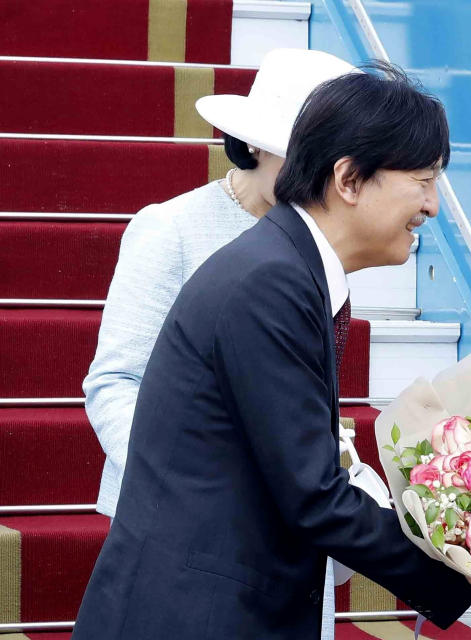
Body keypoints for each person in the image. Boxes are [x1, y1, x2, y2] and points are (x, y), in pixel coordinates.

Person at [82, 48, 355, 638]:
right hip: (182, 535)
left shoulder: (330, 240)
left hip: (292, 531)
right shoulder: (172, 228)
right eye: (299, 150)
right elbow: (115, 382)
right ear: (253, 143)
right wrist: (198, 484)